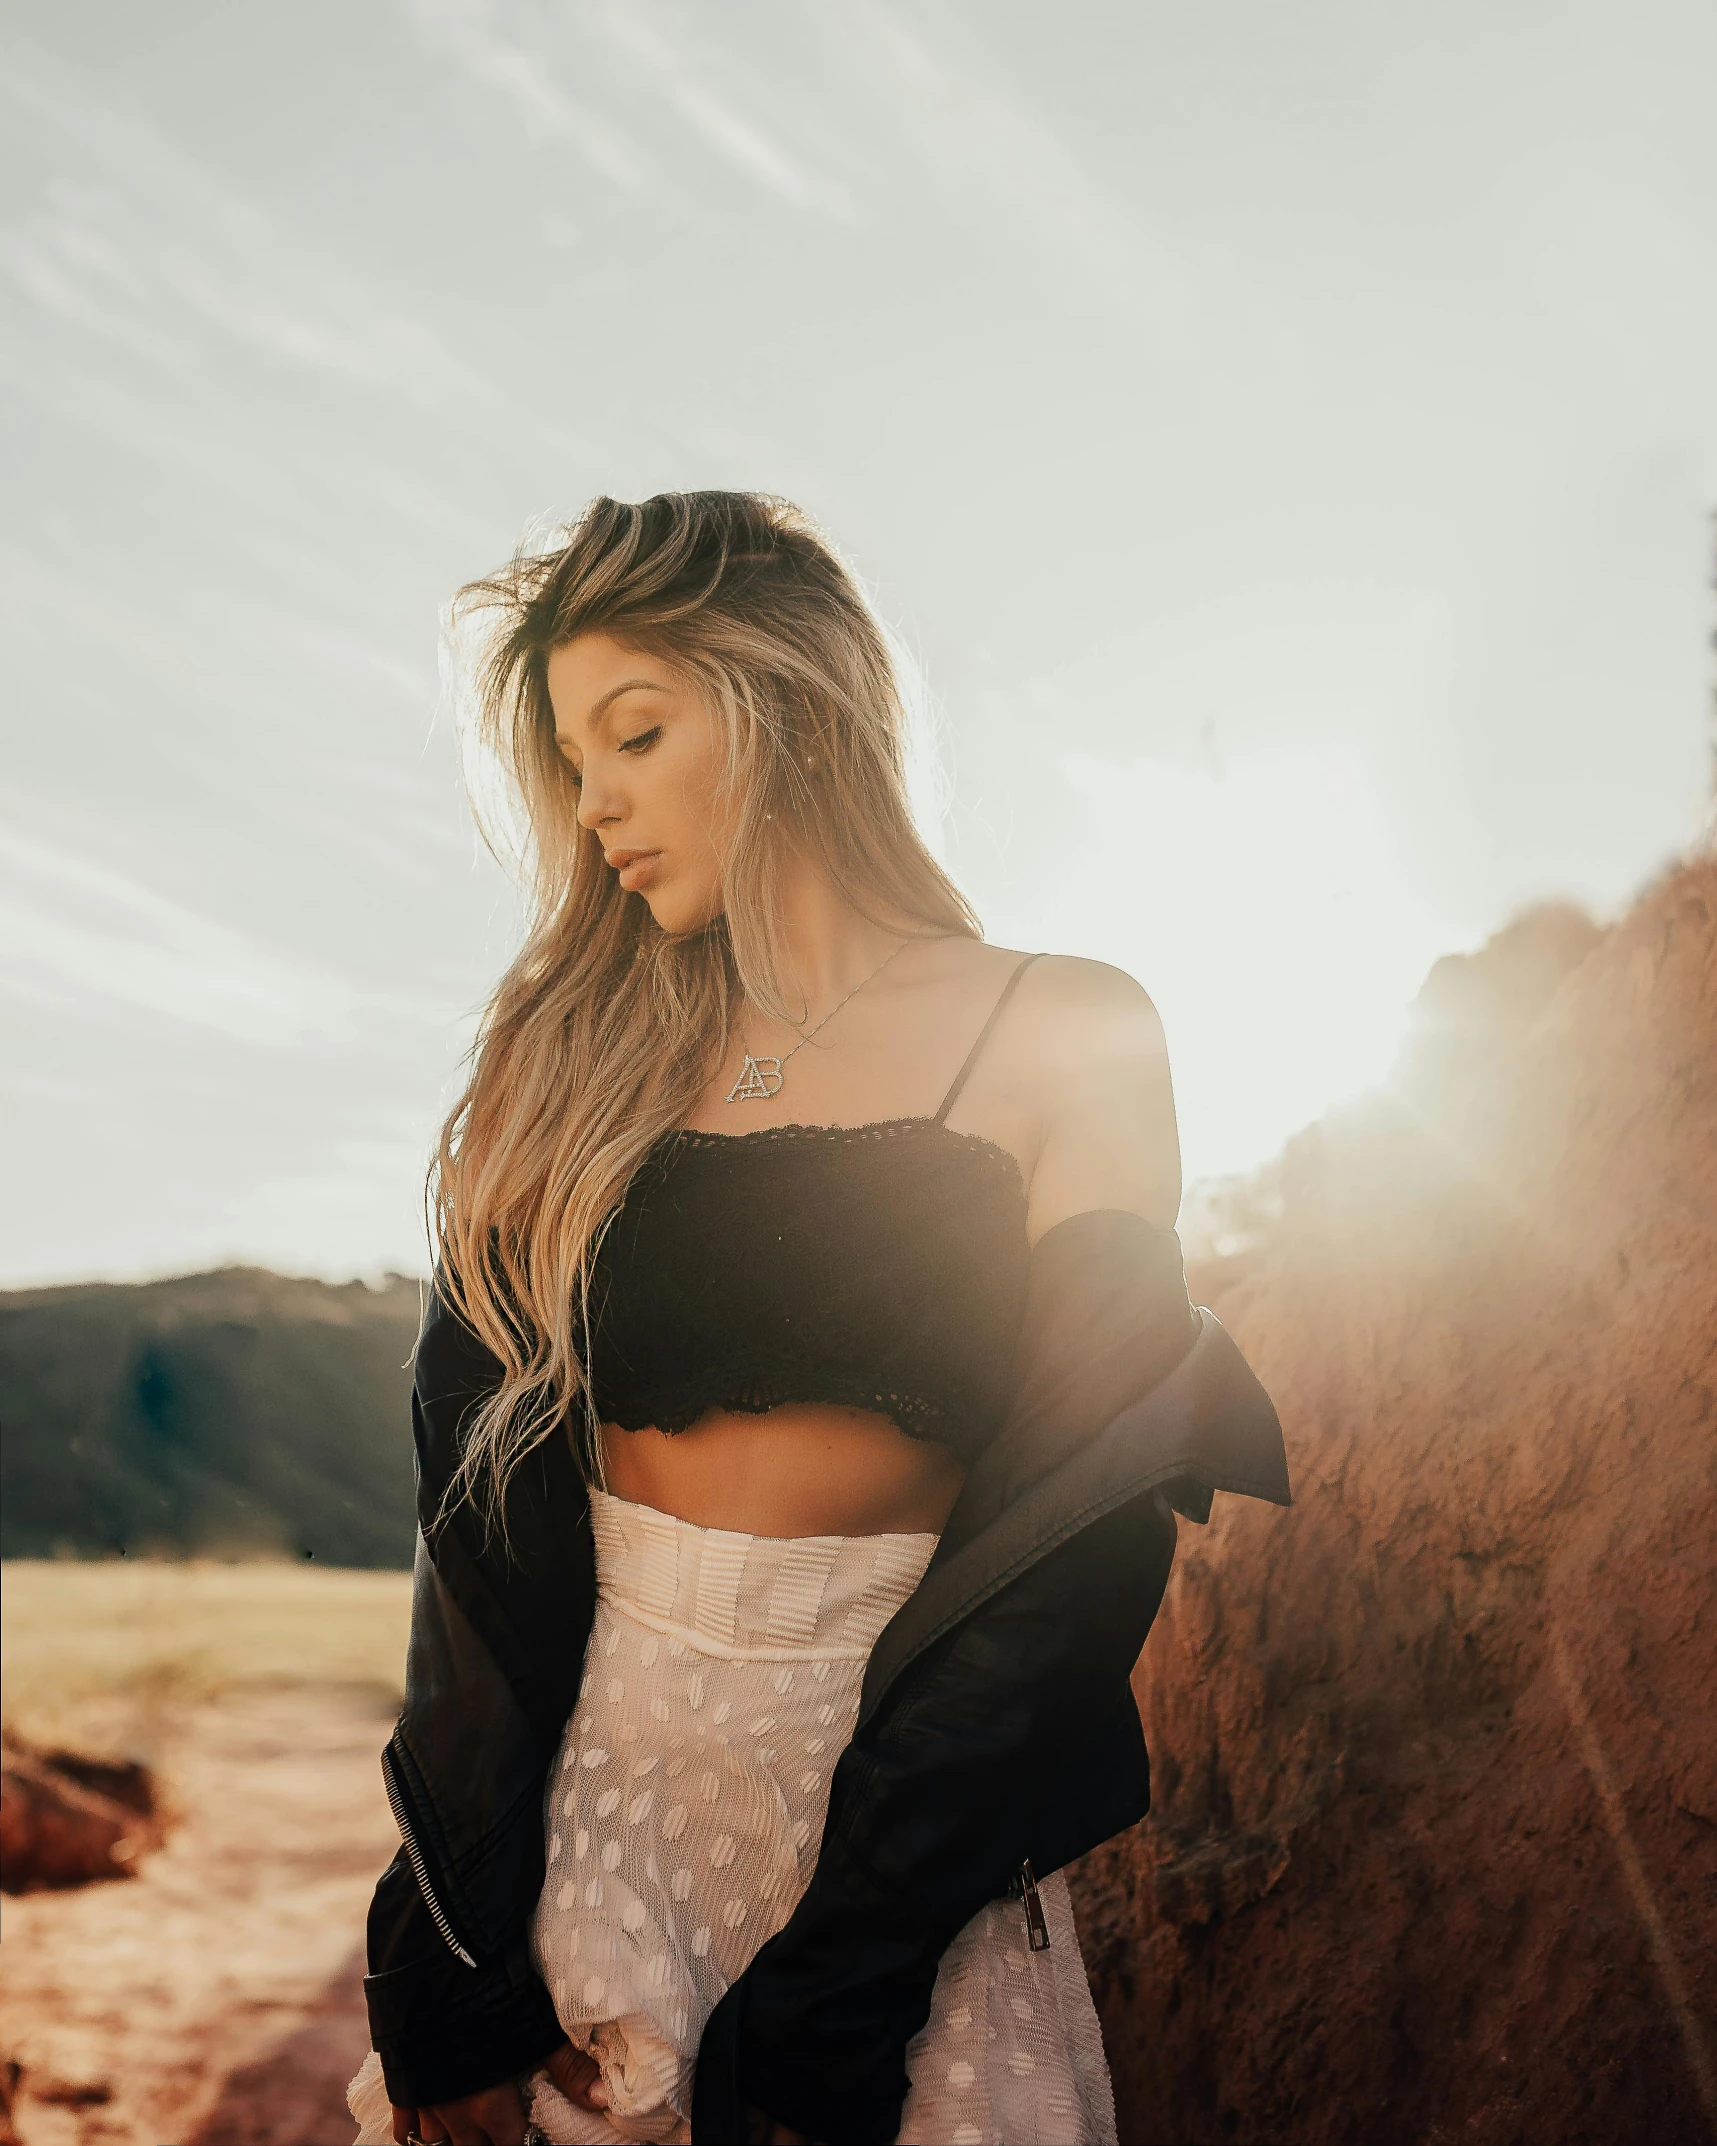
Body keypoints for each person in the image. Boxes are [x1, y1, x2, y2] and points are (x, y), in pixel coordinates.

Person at [347, 491, 1289, 2146]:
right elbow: (474, 1557)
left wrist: (839, 1989)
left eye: (635, 731)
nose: (600, 803)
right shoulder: (564, 1065)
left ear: (791, 694)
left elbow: (1074, 1545)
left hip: (902, 1880)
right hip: (590, 1859)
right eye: (574, 763)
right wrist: (449, 1974)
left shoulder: (1068, 1026)